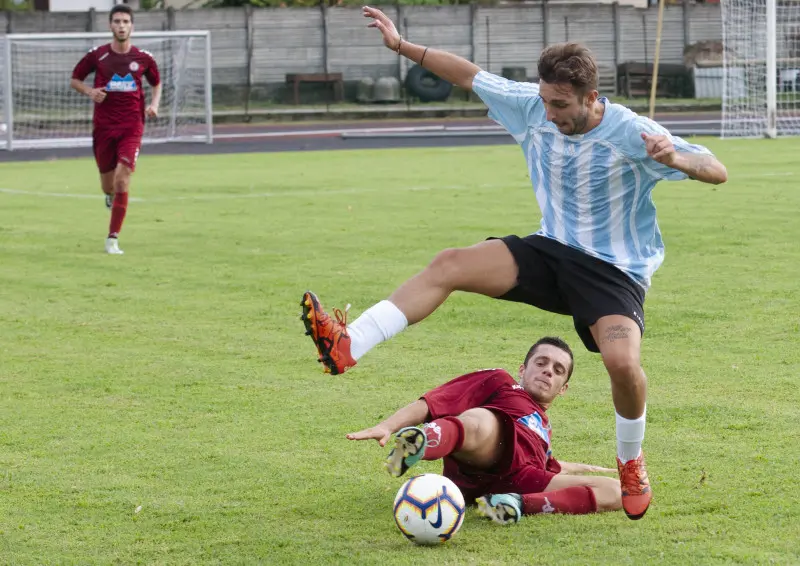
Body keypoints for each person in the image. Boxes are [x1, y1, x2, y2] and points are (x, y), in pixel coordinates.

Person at [300, 6, 729, 520]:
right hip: (550, 252)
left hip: (613, 272)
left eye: (561, 104)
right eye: (545, 100)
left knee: (622, 363)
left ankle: (631, 462)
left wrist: (676, 159)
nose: (549, 113)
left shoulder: (631, 131)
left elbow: (716, 169)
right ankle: (348, 345)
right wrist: (400, 46)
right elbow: (467, 74)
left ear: (592, 98)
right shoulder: (531, 105)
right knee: (452, 263)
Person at [347, 337, 622, 523]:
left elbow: (552, 466)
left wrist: (587, 469)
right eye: (541, 363)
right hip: (487, 452)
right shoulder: (502, 383)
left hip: (520, 479)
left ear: (563, 388)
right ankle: (422, 443)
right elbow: (434, 402)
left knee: (619, 492)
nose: (548, 371)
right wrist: (386, 426)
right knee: (484, 420)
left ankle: (512, 504)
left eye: (558, 369)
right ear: (522, 369)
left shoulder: (544, 432)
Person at [70, 4, 161, 255]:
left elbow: (156, 82)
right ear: (110, 25)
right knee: (107, 185)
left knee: (123, 179)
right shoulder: (97, 55)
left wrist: (153, 104)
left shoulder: (144, 58)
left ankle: (112, 239)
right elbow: (75, 79)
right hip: (104, 128)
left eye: (125, 21)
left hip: (132, 126)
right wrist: (90, 91)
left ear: (132, 26)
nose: (121, 26)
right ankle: (109, 197)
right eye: (117, 21)